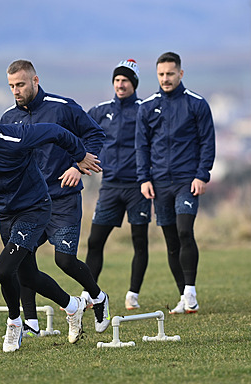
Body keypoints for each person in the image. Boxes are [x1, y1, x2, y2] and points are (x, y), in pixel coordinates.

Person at [0, 98, 101, 351]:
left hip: (35, 208)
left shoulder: (16, 136)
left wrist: (80, 157)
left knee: (4, 270)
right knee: (27, 275)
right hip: (6, 215)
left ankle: (15, 324)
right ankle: (73, 306)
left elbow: (57, 132)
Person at [0, 60, 111, 334]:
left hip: (63, 198)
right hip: (29, 204)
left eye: (21, 84)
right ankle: (31, 323)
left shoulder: (62, 107)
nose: (16, 90)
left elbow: (95, 135)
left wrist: (77, 166)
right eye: (12, 86)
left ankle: (98, 297)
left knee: (65, 261)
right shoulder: (8, 119)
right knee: (22, 261)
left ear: (35, 81)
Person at [136, 52, 216, 314]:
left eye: (170, 74)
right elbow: (142, 146)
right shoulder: (147, 107)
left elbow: (207, 141)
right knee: (171, 241)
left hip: (187, 180)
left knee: (184, 231)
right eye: (161, 74)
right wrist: (144, 178)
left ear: (180, 74)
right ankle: (185, 297)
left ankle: (190, 291)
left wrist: (202, 174)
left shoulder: (196, 104)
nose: (165, 79)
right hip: (159, 183)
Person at [84, 59, 151, 310]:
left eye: (125, 80)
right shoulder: (100, 111)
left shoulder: (146, 109)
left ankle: (133, 294)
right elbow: (82, 134)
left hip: (138, 186)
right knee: (95, 241)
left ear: (134, 83)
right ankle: (89, 293)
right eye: (116, 80)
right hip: (110, 185)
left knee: (139, 240)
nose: (120, 85)